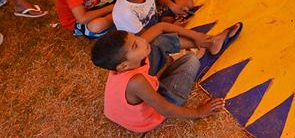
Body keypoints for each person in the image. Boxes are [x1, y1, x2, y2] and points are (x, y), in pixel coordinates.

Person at [91, 24, 239, 132]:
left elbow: (161, 27)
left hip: (135, 96)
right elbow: (166, 109)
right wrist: (199, 113)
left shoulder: (126, 61)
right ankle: (208, 45)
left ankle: (209, 43)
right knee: (191, 61)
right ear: (123, 66)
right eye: (135, 46)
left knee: (159, 41)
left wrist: (196, 36)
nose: (142, 41)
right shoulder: (136, 82)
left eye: (136, 36)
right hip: (145, 119)